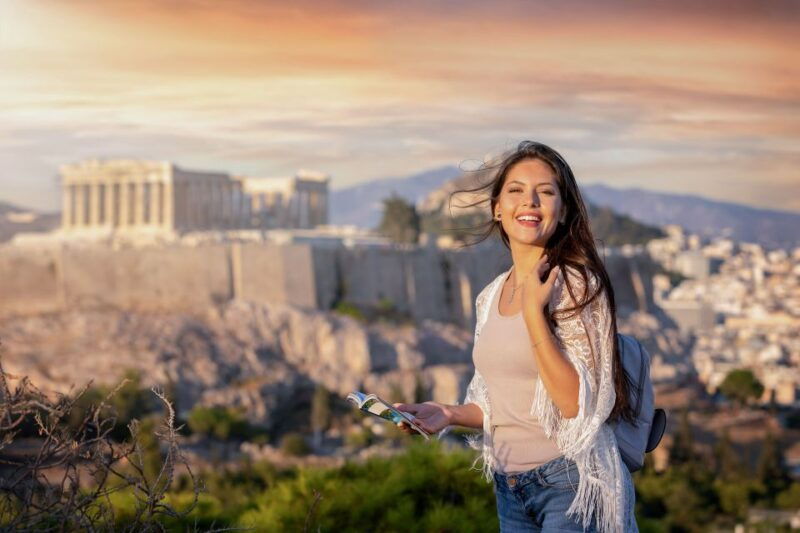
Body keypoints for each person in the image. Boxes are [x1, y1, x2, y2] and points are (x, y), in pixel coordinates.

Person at [394, 141, 638, 532]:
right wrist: (448, 414)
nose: (530, 201)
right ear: (497, 208)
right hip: (511, 490)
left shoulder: (577, 285)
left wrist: (533, 314)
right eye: (516, 190)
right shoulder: (491, 295)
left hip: (571, 484)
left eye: (545, 192)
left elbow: (575, 405)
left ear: (562, 211)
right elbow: (498, 404)